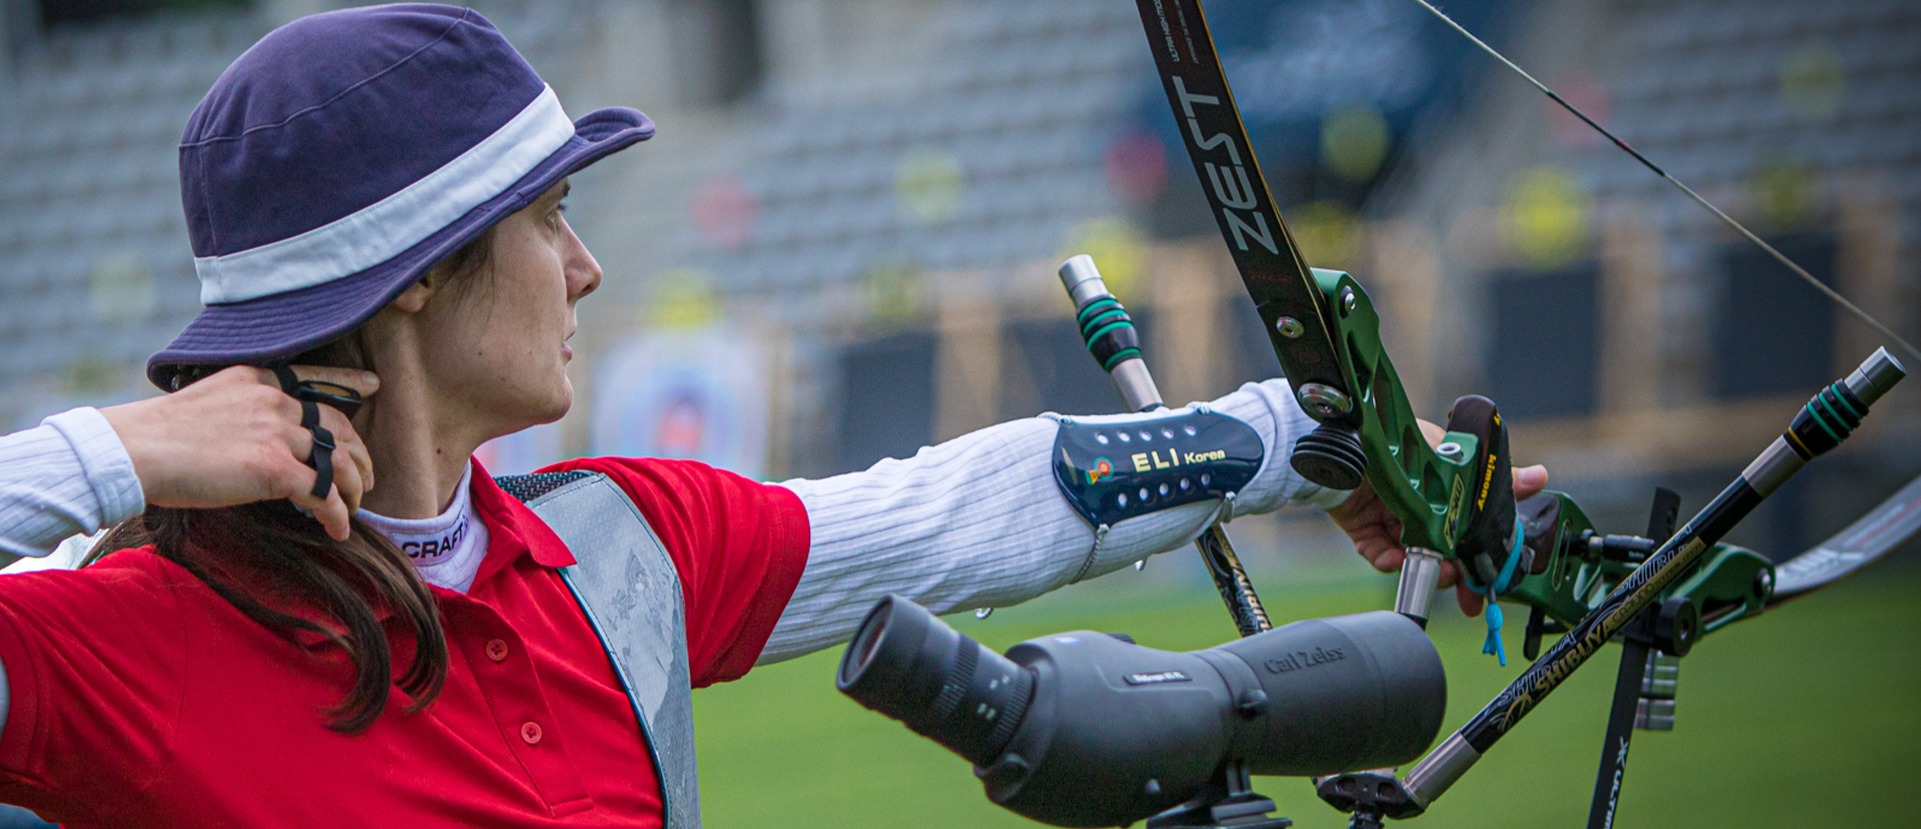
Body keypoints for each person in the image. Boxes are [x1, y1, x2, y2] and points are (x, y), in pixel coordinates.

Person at [0, 5, 1545, 827]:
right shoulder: (120, 644)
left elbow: (967, 507)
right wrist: (108, 457)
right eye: (549, 218)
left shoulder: (617, 545)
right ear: (413, 279)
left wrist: (1318, 433)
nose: (589, 265)